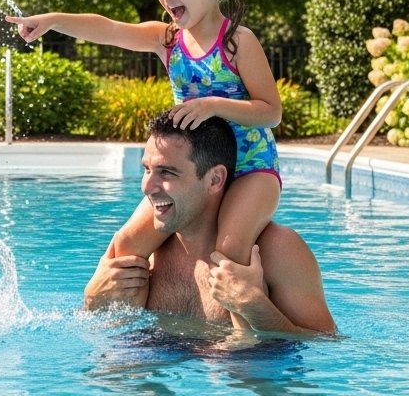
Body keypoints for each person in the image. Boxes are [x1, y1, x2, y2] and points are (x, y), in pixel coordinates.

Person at [6, 0, 282, 281]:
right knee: (125, 247)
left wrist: (213, 105)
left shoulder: (237, 42)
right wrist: (53, 21)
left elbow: (270, 112)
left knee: (228, 251)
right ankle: (135, 333)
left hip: (251, 168)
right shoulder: (167, 39)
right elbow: (108, 28)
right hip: (191, 173)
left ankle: (241, 333)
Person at [83, 111, 335, 336]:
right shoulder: (143, 252)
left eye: (167, 172)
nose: (146, 186)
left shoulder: (277, 250)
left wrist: (255, 307)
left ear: (215, 179)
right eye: (147, 170)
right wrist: (92, 300)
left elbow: (327, 346)